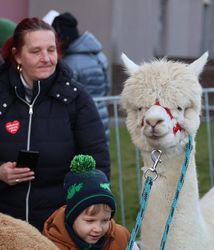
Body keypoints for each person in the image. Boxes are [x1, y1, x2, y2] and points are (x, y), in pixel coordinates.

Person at [0, 17, 110, 231]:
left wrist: (86, 215)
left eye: (51, 50)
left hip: (58, 226)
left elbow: (97, 161)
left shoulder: (77, 99)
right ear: (17, 55)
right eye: (35, 51)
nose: (46, 58)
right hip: (5, 225)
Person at [43, 154, 132, 250]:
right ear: (72, 217)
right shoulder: (52, 246)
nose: (98, 229)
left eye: (105, 220)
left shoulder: (121, 237)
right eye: (90, 221)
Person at [51, 12, 111, 146]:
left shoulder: (69, 63)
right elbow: (107, 87)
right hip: (102, 114)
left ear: (62, 37)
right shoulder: (99, 55)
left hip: (81, 118)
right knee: (100, 154)